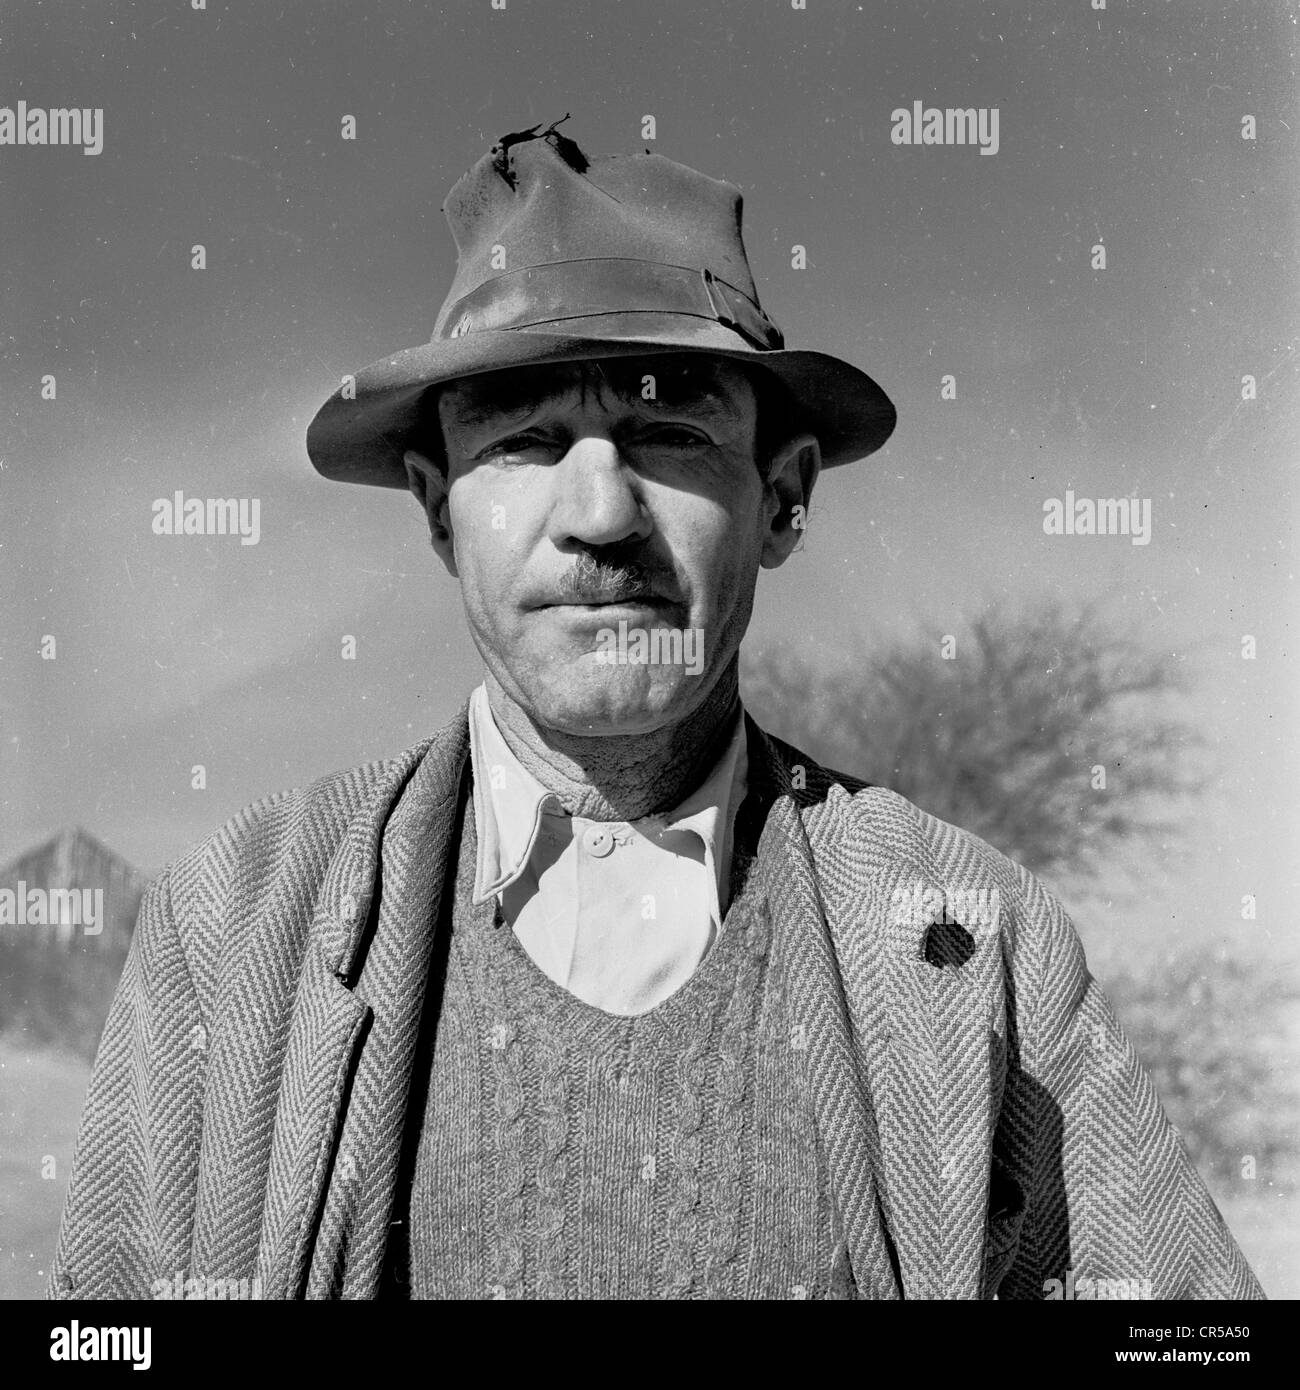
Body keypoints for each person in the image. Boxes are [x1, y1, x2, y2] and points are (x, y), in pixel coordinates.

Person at [50, 119, 1263, 1300]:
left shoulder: (976, 938)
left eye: (667, 429)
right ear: (436, 512)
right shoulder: (232, 928)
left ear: (782, 499)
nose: (599, 514)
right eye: (523, 441)